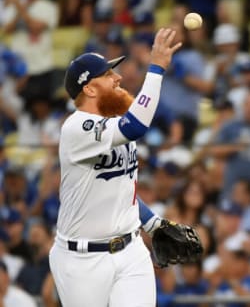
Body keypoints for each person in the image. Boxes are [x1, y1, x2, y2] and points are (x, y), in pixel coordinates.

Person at [48, 28, 182, 307]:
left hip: (132, 250)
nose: (118, 78)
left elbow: (123, 187)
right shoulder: (76, 127)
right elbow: (136, 124)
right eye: (108, 75)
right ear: (90, 87)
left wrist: (152, 223)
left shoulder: (114, 123)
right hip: (82, 260)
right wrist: (155, 69)